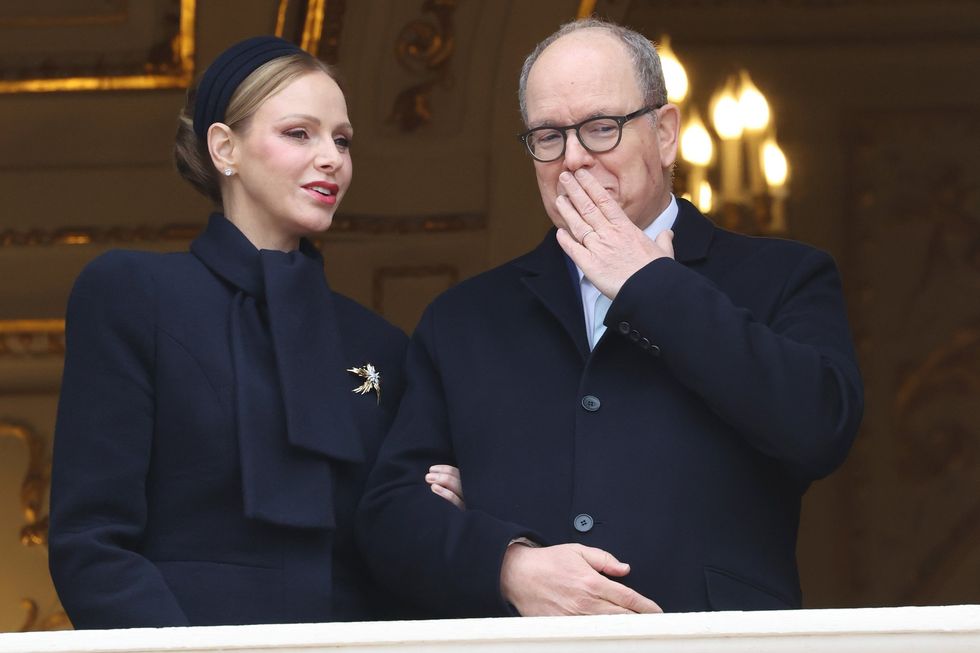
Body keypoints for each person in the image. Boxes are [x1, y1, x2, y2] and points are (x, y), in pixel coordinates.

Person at [356, 18, 864, 617]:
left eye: (601, 128)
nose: (572, 159)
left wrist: (650, 284)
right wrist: (507, 563)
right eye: (548, 136)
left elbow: (818, 427)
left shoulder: (783, 276)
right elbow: (391, 515)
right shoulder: (464, 318)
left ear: (666, 133)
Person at [48, 35, 460, 628]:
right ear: (224, 148)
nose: (332, 159)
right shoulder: (132, 294)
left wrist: (441, 510)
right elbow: (90, 544)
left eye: (342, 140)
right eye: (300, 133)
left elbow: (391, 558)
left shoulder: (379, 345)